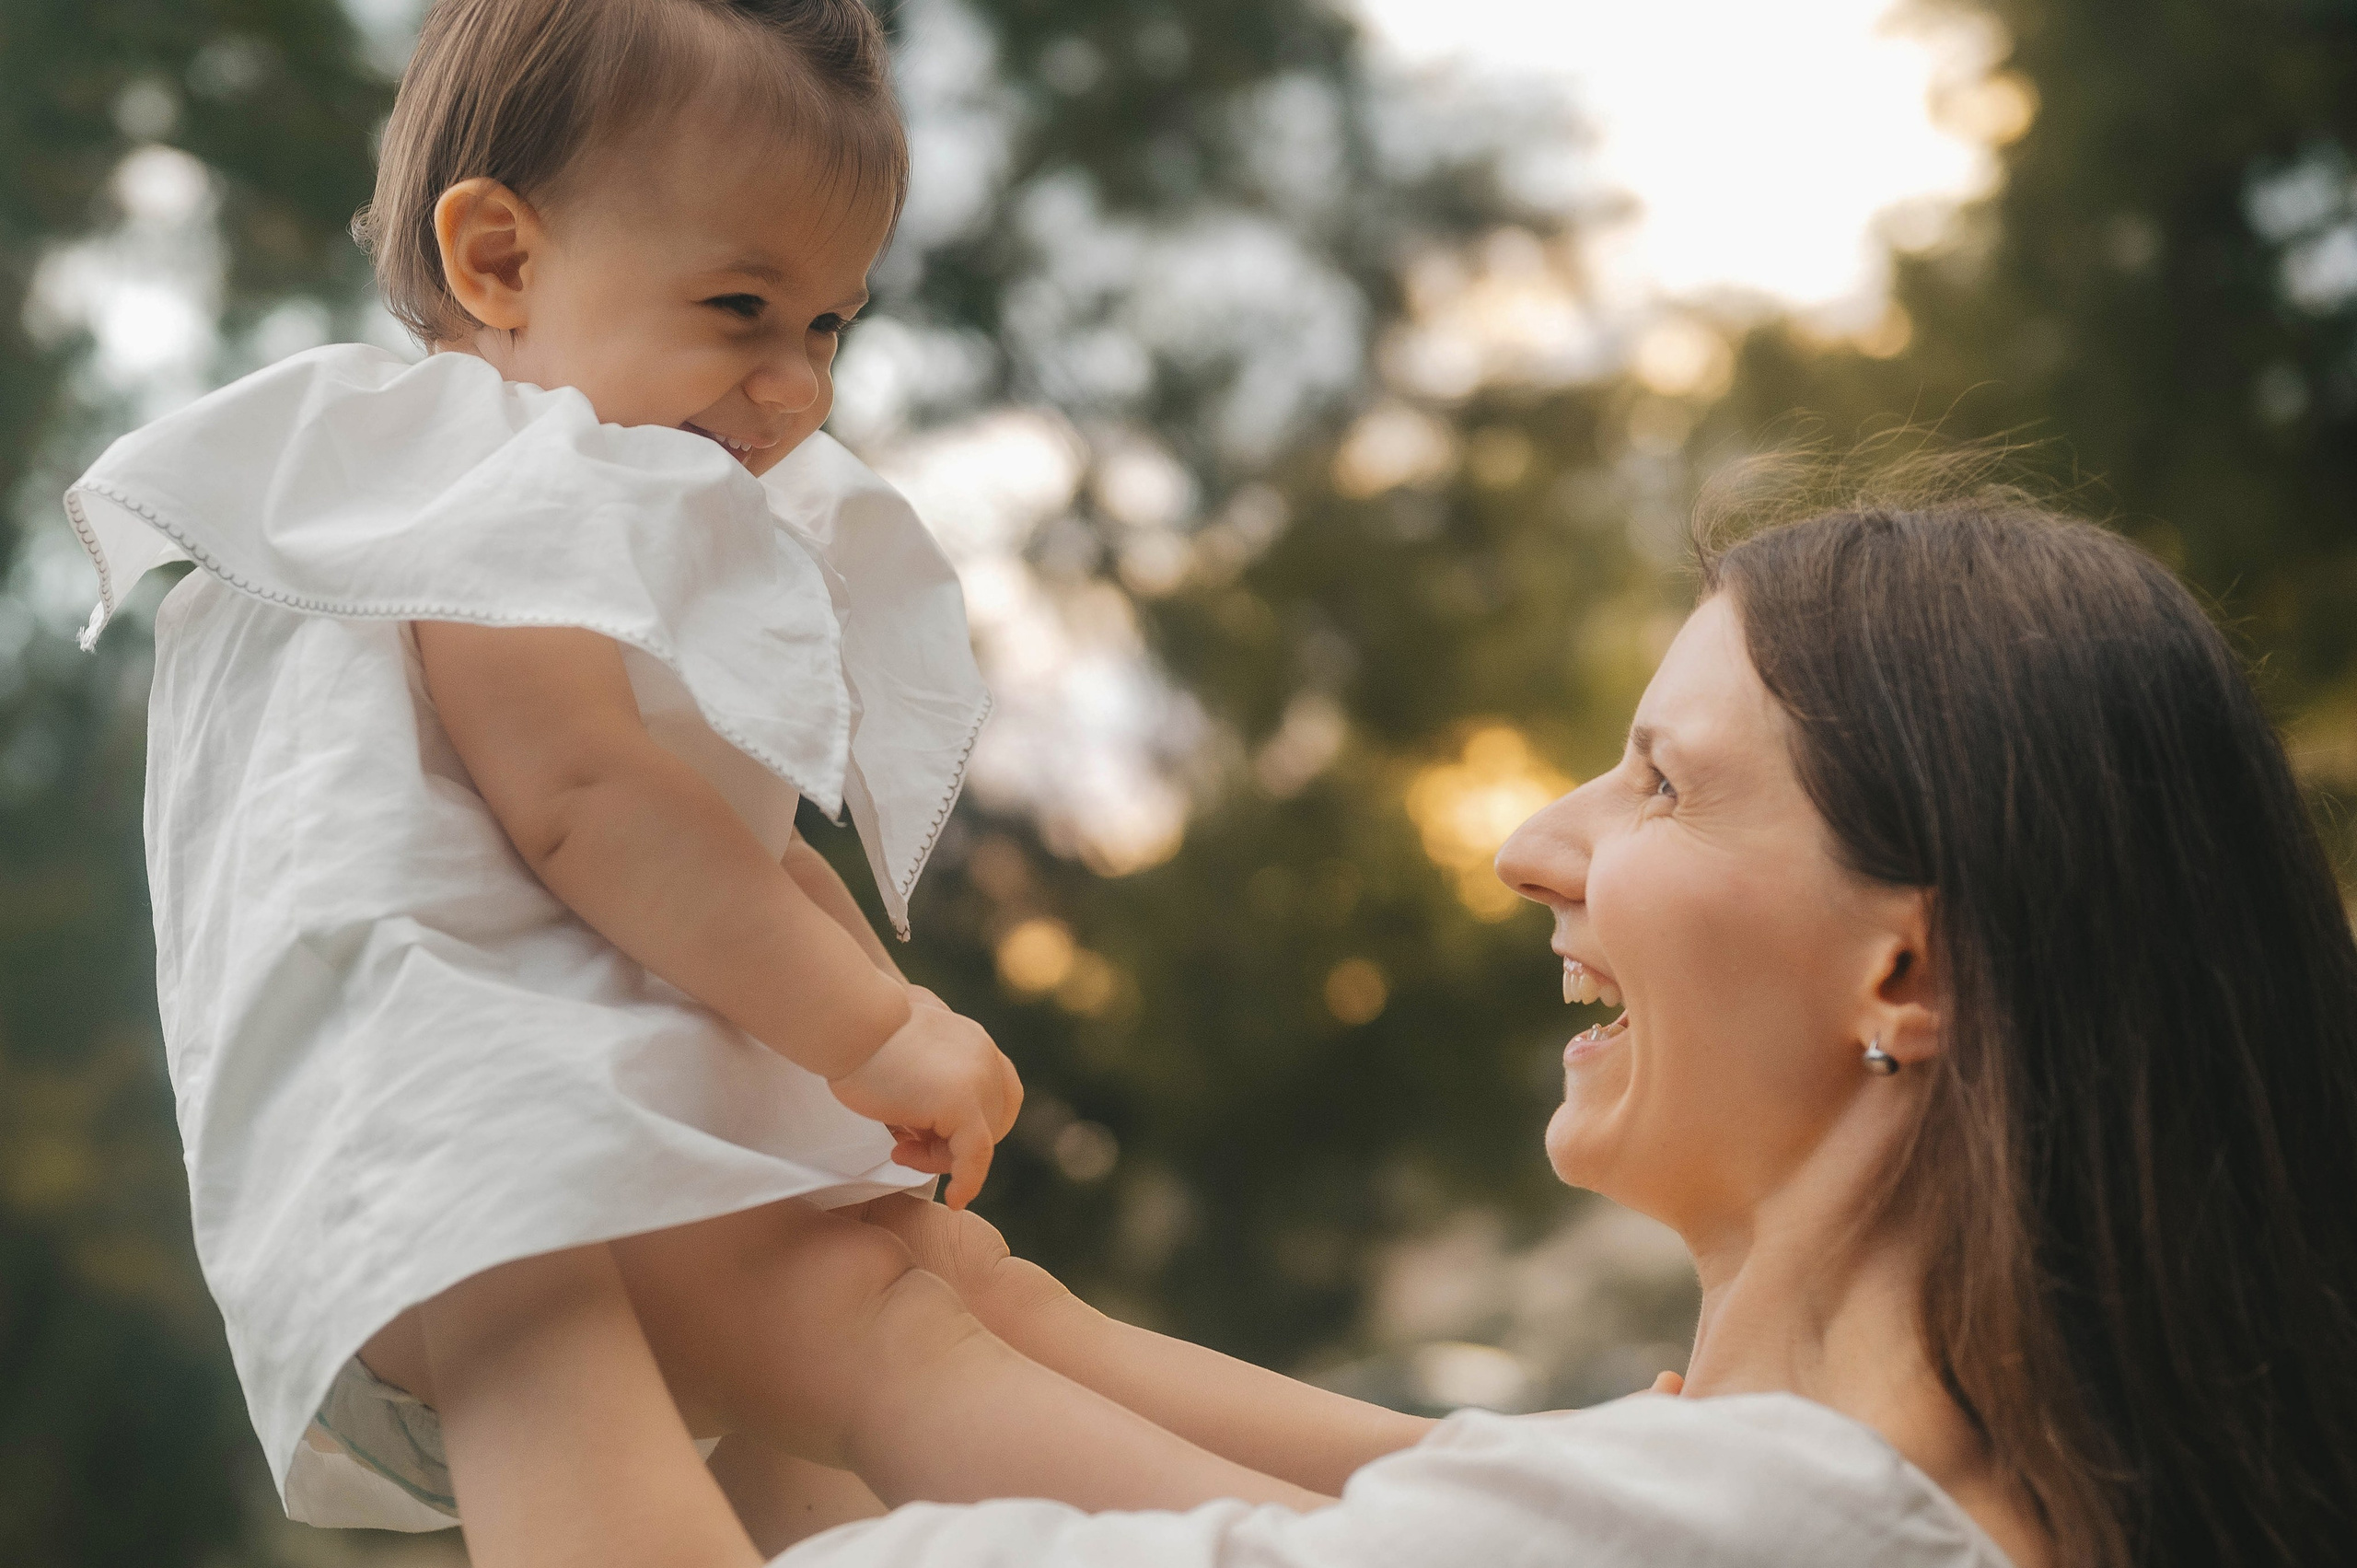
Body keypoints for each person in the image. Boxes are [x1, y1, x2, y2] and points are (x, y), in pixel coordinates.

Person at [416, 483, 2357, 1568]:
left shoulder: (1775, 1537)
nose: (1533, 848)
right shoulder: (1793, 1506)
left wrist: (453, 1219)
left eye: (1659, 787)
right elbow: (944, 1355)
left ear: (1905, 976)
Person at [63, 0, 1033, 1536]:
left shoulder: (520, 483)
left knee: (816, 1425)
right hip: (453, 1081)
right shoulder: (489, 478)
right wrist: (870, 1026)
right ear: (500, 261)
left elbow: (720, 833)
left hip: (533, 1066)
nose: (802, 387)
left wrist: (870, 1034)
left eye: (829, 325)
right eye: (741, 307)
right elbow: (592, 804)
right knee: (570, 1399)